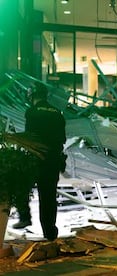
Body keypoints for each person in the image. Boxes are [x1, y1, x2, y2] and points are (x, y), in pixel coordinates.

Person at [12, 82, 66, 241]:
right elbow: (62, 138)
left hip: (36, 158)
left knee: (20, 186)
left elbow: (31, 136)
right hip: (53, 160)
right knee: (48, 196)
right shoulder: (57, 112)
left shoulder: (32, 112)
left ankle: (25, 217)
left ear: (31, 96)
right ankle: (49, 233)